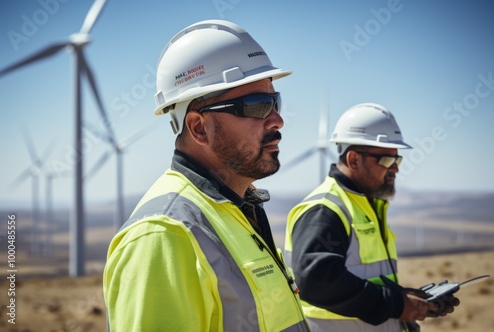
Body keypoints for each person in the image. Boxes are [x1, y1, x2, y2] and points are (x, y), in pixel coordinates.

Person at [103, 20, 309, 331]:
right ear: (200, 128)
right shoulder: (164, 235)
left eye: (275, 102)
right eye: (258, 106)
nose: (278, 120)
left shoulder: (234, 211)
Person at [284, 103, 459, 331]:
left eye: (398, 160)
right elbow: (315, 280)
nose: (395, 169)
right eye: (387, 160)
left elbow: (367, 279)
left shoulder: (367, 204)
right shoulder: (326, 209)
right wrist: (396, 304)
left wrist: (406, 299)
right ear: (354, 159)